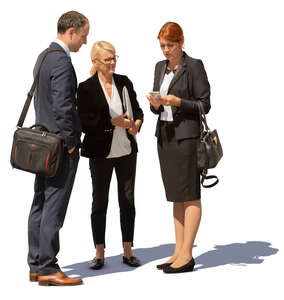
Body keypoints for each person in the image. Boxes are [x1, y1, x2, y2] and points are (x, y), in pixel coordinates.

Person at [27, 11, 89, 286]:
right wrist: (72, 143)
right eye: (84, 36)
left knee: (40, 202)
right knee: (53, 205)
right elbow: (64, 105)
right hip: (60, 146)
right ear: (71, 32)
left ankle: (36, 264)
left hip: (42, 143)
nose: (85, 43)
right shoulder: (62, 61)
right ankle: (49, 267)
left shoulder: (43, 56)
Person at [147, 22, 211, 273]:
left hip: (186, 138)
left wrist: (178, 102)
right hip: (165, 137)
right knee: (175, 195)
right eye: (162, 45)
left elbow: (204, 105)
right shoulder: (159, 67)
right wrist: (155, 103)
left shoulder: (194, 66)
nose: (165, 50)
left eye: (170, 45)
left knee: (190, 194)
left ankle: (187, 255)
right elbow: (158, 108)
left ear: (181, 42)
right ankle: (178, 251)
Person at [77, 41, 144, 270]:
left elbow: (139, 111)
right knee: (100, 202)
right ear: (95, 62)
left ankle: (128, 250)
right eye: (108, 59)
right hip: (100, 153)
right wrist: (111, 122)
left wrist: (135, 124)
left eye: (115, 57)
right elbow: (85, 122)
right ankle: (99, 253)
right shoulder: (85, 88)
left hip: (126, 151)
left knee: (127, 201)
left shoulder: (124, 82)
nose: (113, 62)